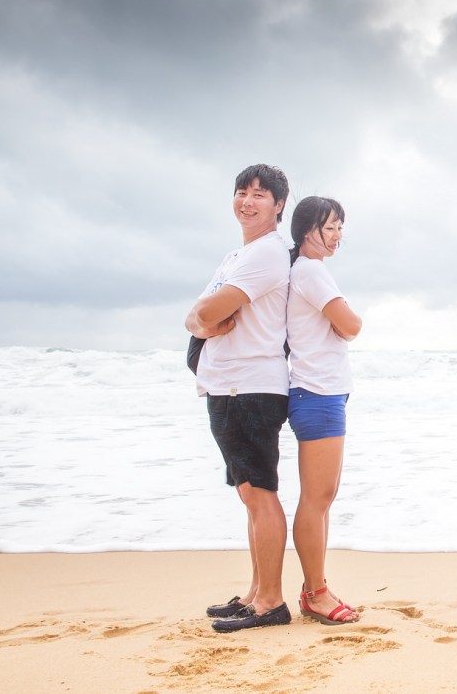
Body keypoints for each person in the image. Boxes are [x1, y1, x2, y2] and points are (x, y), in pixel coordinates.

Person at [186, 164, 292, 633]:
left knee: (261, 495)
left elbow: (206, 311)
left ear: (279, 206)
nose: (247, 201)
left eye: (259, 195)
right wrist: (200, 322)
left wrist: (202, 320)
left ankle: (271, 601)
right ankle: (255, 593)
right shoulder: (236, 255)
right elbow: (196, 317)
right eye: (242, 193)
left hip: (249, 387)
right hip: (228, 385)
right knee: (250, 496)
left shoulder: (266, 254)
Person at [286, 196, 363, 626]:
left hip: (322, 393)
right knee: (316, 499)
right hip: (315, 393)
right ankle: (315, 592)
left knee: (323, 497)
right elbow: (351, 325)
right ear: (305, 230)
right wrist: (346, 320)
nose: (336, 235)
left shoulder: (310, 271)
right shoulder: (311, 271)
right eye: (328, 227)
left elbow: (343, 324)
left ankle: (313, 588)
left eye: (339, 227)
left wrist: (342, 321)